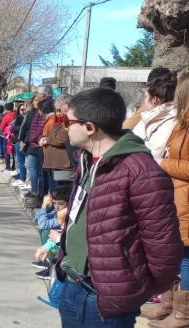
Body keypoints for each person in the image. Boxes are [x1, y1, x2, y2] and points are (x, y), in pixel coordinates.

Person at [46, 87, 183, 327]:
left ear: (90, 127)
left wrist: (134, 290)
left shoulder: (141, 171)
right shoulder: (85, 160)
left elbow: (164, 246)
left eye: (67, 122)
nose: (64, 127)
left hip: (106, 298)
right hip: (72, 284)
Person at [145, 74, 189, 326]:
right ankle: (170, 304)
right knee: (177, 253)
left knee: (186, 257)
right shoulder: (182, 124)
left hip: (186, 200)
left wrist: (163, 162)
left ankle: (182, 314)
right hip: (177, 197)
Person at [133, 71, 178, 160]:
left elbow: (152, 157)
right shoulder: (152, 116)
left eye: (146, 96)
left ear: (154, 99)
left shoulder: (169, 122)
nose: (145, 101)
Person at [32, 184, 71, 279]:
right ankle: (50, 261)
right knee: (46, 232)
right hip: (57, 243)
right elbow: (38, 220)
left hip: (64, 247)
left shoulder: (65, 214)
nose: (57, 207)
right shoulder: (58, 211)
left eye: (60, 204)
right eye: (54, 203)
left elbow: (42, 224)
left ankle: (52, 264)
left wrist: (44, 207)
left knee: (46, 231)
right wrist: (44, 206)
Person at [40, 94, 73, 193]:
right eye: (56, 110)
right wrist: (43, 138)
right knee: (54, 191)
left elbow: (61, 139)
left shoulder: (69, 121)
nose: (58, 113)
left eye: (60, 110)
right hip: (53, 164)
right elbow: (49, 134)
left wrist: (47, 140)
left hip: (62, 165)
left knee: (60, 192)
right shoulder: (57, 121)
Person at [0, 102, 17, 173]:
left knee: (7, 152)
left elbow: (1, 127)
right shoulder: (16, 115)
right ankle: (14, 167)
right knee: (14, 153)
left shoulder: (6, 116)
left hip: (7, 136)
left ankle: (8, 167)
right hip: (15, 135)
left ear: (6, 109)